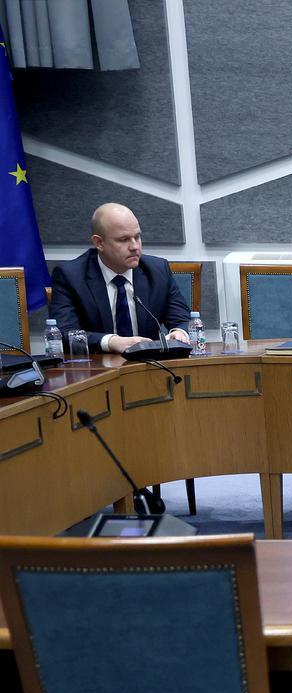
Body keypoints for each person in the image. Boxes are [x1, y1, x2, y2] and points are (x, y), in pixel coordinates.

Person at [49, 202, 194, 513]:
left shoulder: (157, 269)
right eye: (124, 239)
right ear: (99, 243)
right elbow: (65, 332)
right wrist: (112, 341)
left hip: (146, 379)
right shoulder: (70, 275)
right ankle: (125, 489)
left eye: (138, 237)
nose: (135, 246)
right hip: (96, 381)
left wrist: (179, 331)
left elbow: (179, 315)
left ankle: (138, 484)